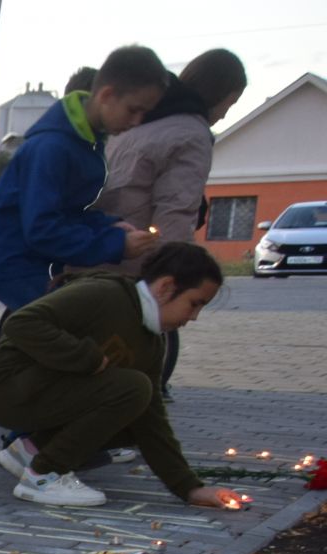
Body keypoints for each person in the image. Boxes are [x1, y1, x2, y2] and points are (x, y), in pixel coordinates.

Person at [0, 244, 241, 511]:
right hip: (8, 387)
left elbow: (152, 418)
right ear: (165, 287)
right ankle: (44, 476)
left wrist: (189, 488)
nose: (194, 317)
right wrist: (87, 358)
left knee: (138, 412)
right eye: (193, 304)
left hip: (39, 392)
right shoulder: (105, 294)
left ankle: (32, 449)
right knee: (134, 389)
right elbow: (20, 323)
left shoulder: (152, 343)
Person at [0, 46, 169, 312]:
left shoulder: (85, 141)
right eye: (133, 110)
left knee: (54, 328)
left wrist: (110, 227)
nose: (137, 121)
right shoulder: (53, 147)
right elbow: (42, 228)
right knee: (68, 323)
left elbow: (68, 212)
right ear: (106, 95)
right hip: (9, 259)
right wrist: (114, 244)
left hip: (28, 257)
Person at [98, 48, 246, 400]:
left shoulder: (139, 120)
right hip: (143, 259)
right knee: (140, 362)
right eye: (230, 103)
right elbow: (176, 210)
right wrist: (173, 275)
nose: (225, 115)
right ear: (218, 94)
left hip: (105, 247)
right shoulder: (190, 134)